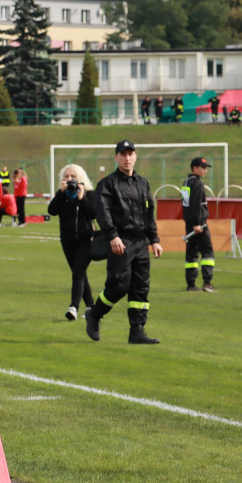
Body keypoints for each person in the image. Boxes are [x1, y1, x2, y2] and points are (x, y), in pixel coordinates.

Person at [84, 140, 163, 344]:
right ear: (116, 157)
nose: (127, 158)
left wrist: (154, 240)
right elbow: (103, 212)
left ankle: (137, 330)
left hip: (141, 242)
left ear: (135, 156)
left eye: (130, 154)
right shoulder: (108, 184)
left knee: (140, 286)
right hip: (121, 242)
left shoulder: (143, 183)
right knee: (119, 285)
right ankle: (95, 314)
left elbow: (148, 214)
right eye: (123, 154)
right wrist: (113, 236)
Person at [48, 164, 96, 321]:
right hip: (67, 241)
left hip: (86, 240)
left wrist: (81, 199)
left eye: (73, 177)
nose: (70, 180)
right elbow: (52, 211)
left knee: (78, 272)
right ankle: (91, 307)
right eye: (66, 177)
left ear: (80, 178)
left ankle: (73, 307)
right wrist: (61, 194)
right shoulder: (62, 195)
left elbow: (93, 213)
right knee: (80, 273)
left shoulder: (89, 194)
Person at [182, 157, 216, 292]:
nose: (205, 170)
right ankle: (207, 283)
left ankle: (191, 284)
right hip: (199, 224)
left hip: (189, 224)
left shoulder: (186, 182)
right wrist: (197, 224)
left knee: (191, 255)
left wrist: (191, 223)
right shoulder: (197, 183)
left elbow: (186, 205)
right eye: (203, 167)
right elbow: (195, 205)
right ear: (195, 168)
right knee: (207, 253)